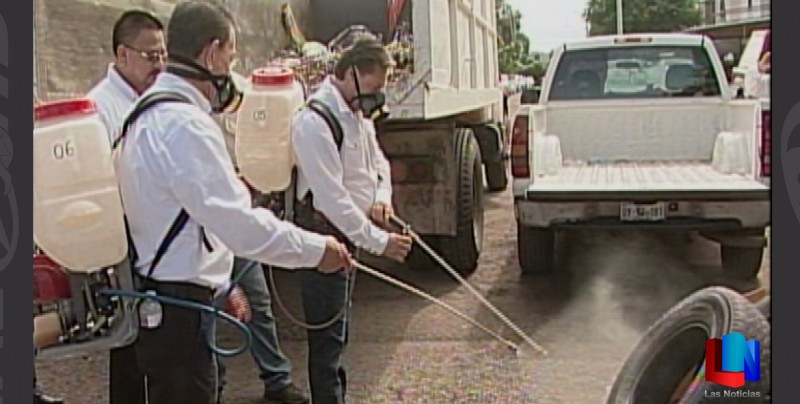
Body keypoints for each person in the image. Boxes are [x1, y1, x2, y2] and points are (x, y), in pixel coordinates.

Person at [112, 2, 352, 403]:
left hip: (161, 299)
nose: (231, 68)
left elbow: (185, 219)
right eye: (232, 56)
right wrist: (317, 250)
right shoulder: (186, 125)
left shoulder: (144, 115)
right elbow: (241, 227)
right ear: (212, 52)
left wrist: (222, 283)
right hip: (179, 312)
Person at [290, 37, 413, 404]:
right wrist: (381, 243)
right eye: (375, 87)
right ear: (353, 74)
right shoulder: (314, 122)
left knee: (339, 332)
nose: (378, 98)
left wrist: (380, 199)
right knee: (327, 341)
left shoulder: (357, 114)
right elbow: (330, 201)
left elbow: (379, 165)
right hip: (325, 235)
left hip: (351, 233)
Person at [84, 10, 167, 404]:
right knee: (132, 348)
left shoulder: (155, 98)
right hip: (127, 245)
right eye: (151, 56)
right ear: (122, 54)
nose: (160, 65)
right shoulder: (98, 109)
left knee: (163, 348)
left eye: (163, 55)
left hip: (158, 239)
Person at [212, 74, 310, 404]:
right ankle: (213, 384)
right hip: (205, 225)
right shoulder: (189, 114)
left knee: (256, 299)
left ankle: (276, 378)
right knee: (206, 308)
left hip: (240, 217)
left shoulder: (253, 95)